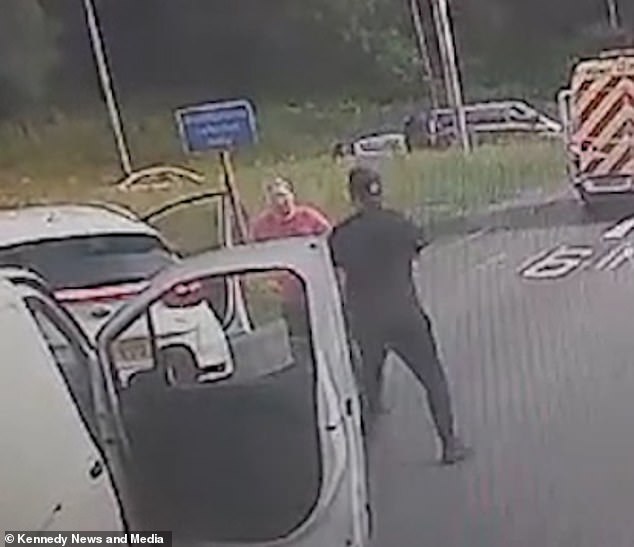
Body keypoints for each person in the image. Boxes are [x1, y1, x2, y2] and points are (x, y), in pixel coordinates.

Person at [328, 165, 470, 465]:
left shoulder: (343, 233)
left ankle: (360, 452)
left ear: (352, 195)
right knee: (432, 376)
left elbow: (334, 268)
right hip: (404, 311)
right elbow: (419, 244)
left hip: (366, 318)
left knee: (367, 380)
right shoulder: (398, 223)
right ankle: (449, 443)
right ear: (379, 189)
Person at [250, 176, 332, 338]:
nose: (281, 202)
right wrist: (268, 283)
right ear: (269, 202)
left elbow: (330, 239)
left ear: (291, 195)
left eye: (283, 196)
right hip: (287, 295)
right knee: (298, 338)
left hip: (316, 288)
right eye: (275, 198)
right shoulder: (261, 227)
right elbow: (255, 259)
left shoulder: (308, 217)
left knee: (325, 332)